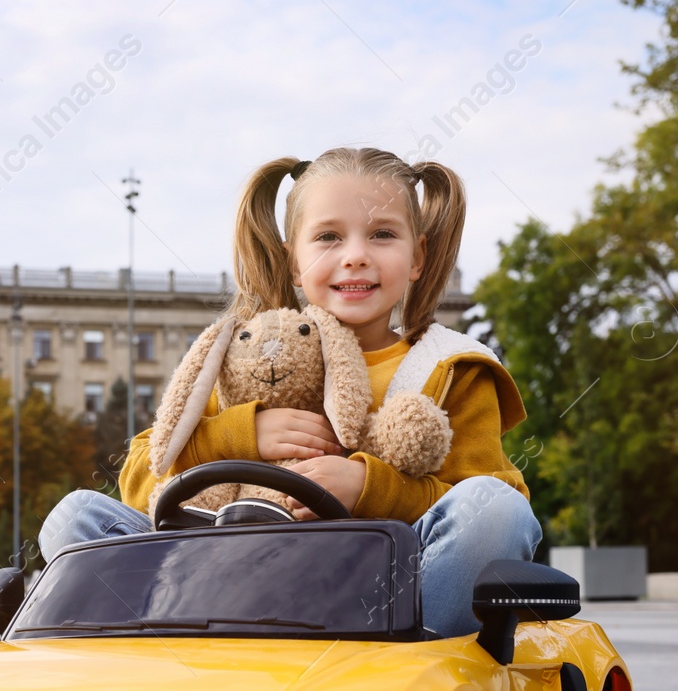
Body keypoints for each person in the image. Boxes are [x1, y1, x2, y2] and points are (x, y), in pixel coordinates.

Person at [38, 148, 540, 637]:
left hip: (379, 602)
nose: (356, 256)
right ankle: (158, 643)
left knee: (496, 508)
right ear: (294, 263)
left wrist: (368, 488)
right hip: (227, 580)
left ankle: (420, 656)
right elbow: (141, 477)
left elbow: (491, 512)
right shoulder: (244, 360)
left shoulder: (452, 367)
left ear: (418, 256)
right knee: (76, 516)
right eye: (328, 237)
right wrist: (238, 435)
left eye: (383, 234)